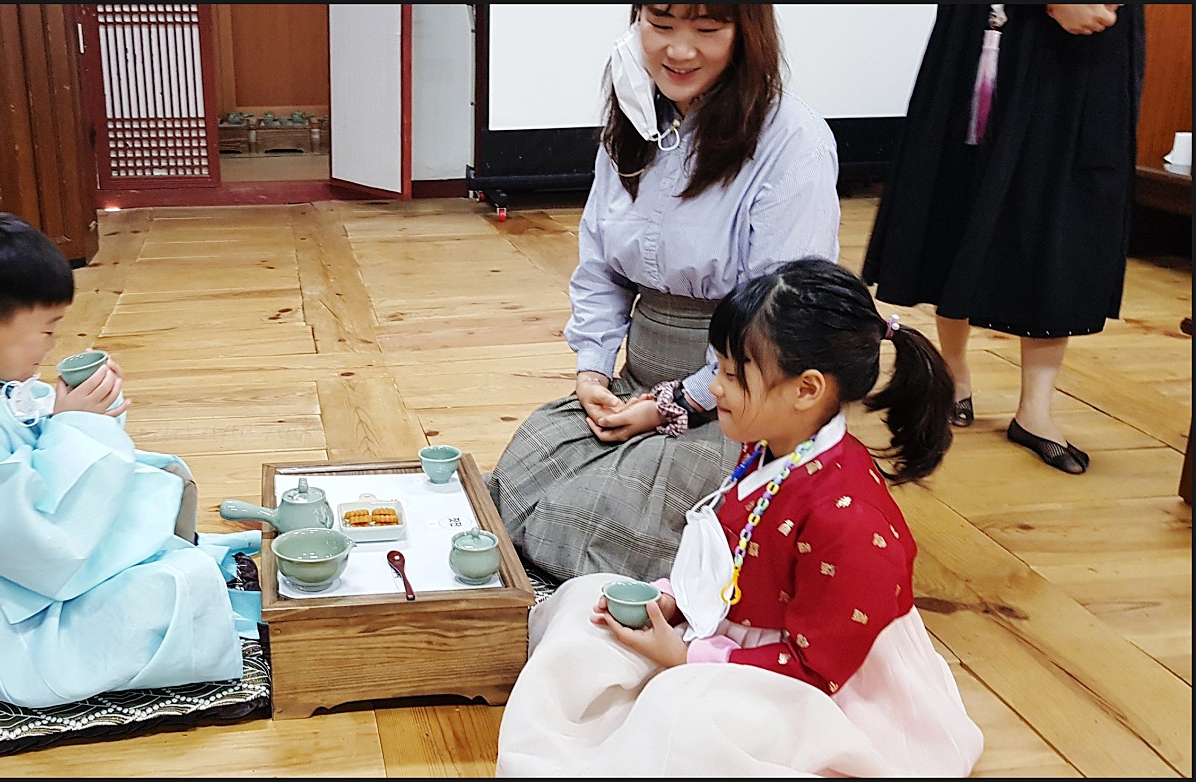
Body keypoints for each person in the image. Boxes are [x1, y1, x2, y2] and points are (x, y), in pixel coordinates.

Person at [495, 258, 983, 777]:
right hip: (729, 637)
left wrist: (685, 658)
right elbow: (735, 558)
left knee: (680, 717)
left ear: (806, 389)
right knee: (580, 607)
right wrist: (673, 599)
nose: (716, 388)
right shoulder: (770, 447)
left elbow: (817, 671)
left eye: (732, 375)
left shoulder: (849, 519)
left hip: (813, 686)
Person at [486, 4, 842, 584]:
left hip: (741, 401)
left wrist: (674, 403)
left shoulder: (793, 142)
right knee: (526, 466)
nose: (678, 50)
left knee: (595, 515)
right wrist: (593, 371)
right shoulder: (633, 120)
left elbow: (776, 318)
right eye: (661, 23)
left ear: (747, 33)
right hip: (638, 384)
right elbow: (600, 265)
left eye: (707, 29)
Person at [0, 211, 262, 709]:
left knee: (160, 476)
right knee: (180, 586)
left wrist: (69, 411)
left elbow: (28, 454)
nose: (51, 345)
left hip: (14, 570)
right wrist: (77, 425)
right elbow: (40, 544)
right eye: (47, 330)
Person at [862, 4, 1145, 474]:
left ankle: (1036, 409)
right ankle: (953, 373)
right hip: (991, 27)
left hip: (1092, 44)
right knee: (961, 193)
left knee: (1063, 208)